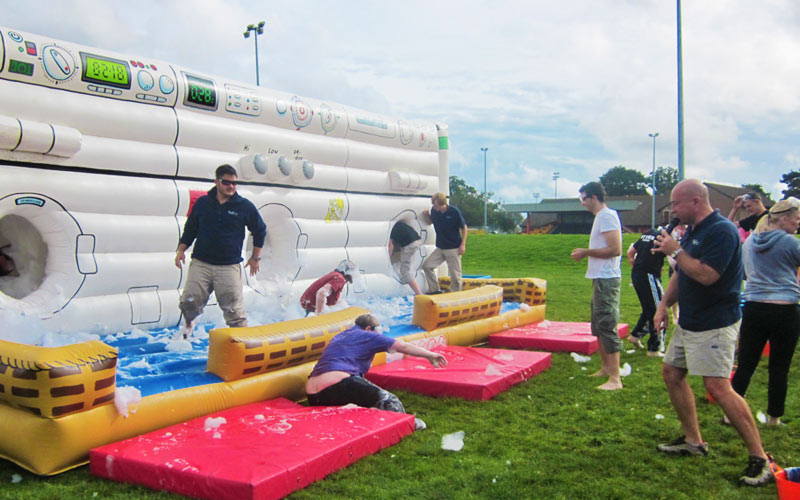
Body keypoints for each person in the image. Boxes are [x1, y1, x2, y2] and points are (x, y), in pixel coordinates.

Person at [652, 179, 772, 487]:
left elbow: (707, 275)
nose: (673, 211)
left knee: (718, 388)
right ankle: (693, 441)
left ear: (695, 202)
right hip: (691, 319)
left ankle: (761, 458)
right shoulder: (694, 230)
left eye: (676, 204)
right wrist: (664, 305)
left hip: (715, 321)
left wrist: (675, 250)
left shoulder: (722, 230)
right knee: (671, 373)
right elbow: (682, 272)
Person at [306, 313, 447, 429]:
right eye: (377, 331)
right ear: (368, 328)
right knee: (389, 401)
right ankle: (407, 424)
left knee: (365, 399)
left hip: (314, 396)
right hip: (336, 386)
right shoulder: (367, 335)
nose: (378, 335)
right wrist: (431, 355)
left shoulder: (340, 336)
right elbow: (402, 346)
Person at [730, 197, 800, 428]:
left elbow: (743, 273)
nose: (798, 223)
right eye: (797, 218)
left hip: (754, 307)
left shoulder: (750, 242)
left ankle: (730, 414)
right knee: (780, 366)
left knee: (746, 362)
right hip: (785, 309)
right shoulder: (791, 243)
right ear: (784, 218)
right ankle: (774, 417)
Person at [175, 164, 267, 334]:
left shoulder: (244, 206)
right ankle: (187, 329)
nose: (231, 186)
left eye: (234, 183)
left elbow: (260, 230)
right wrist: (181, 250)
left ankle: (241, 342)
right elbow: (191, 228)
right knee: (189, 302)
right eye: (226, 183)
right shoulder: (203, 203)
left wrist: (255, 258)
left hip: (228, 265)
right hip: (201, 263)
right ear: (216, 181)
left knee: (234, 311)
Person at [570, 181, 623, 391]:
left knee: (607, 324)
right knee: (599, 324)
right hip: (599, 278)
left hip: (607, 279)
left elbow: (616, 249)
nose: (582, 203)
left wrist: (585, 252)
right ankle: (605, 368)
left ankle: (615, 378)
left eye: (583, 198)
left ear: (593, 197)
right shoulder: (600, 217)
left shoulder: (607, 215)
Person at [626, 227, 666, 356]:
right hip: (649, 275)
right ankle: (654, 348)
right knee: (659, 309)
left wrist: (635, 266)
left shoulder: (648, 234)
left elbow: (630, 252)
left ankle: (635, 336)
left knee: (649, 308)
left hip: (638, 274)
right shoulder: (664, 237)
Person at [421, 192, 467, 293]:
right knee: (427, 266)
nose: (434, 207)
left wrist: (463, 244)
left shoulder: (453, 211)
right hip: (441, 247)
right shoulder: (434, 211)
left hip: (453, 247)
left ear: (442, 203)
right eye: (433, 204)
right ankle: (434, 289)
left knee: (455, 274)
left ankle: (455, 293)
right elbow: (431, 222)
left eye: (436, 205)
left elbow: (464, 227)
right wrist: (426, 216)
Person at [388, 221, 423, 295]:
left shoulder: (390, 230)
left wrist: (388, 259)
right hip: (417, 241)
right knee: (408, 262)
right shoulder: (399, 224)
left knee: (405, 271)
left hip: (409, 245)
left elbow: (391, 247)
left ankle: (419, 293)